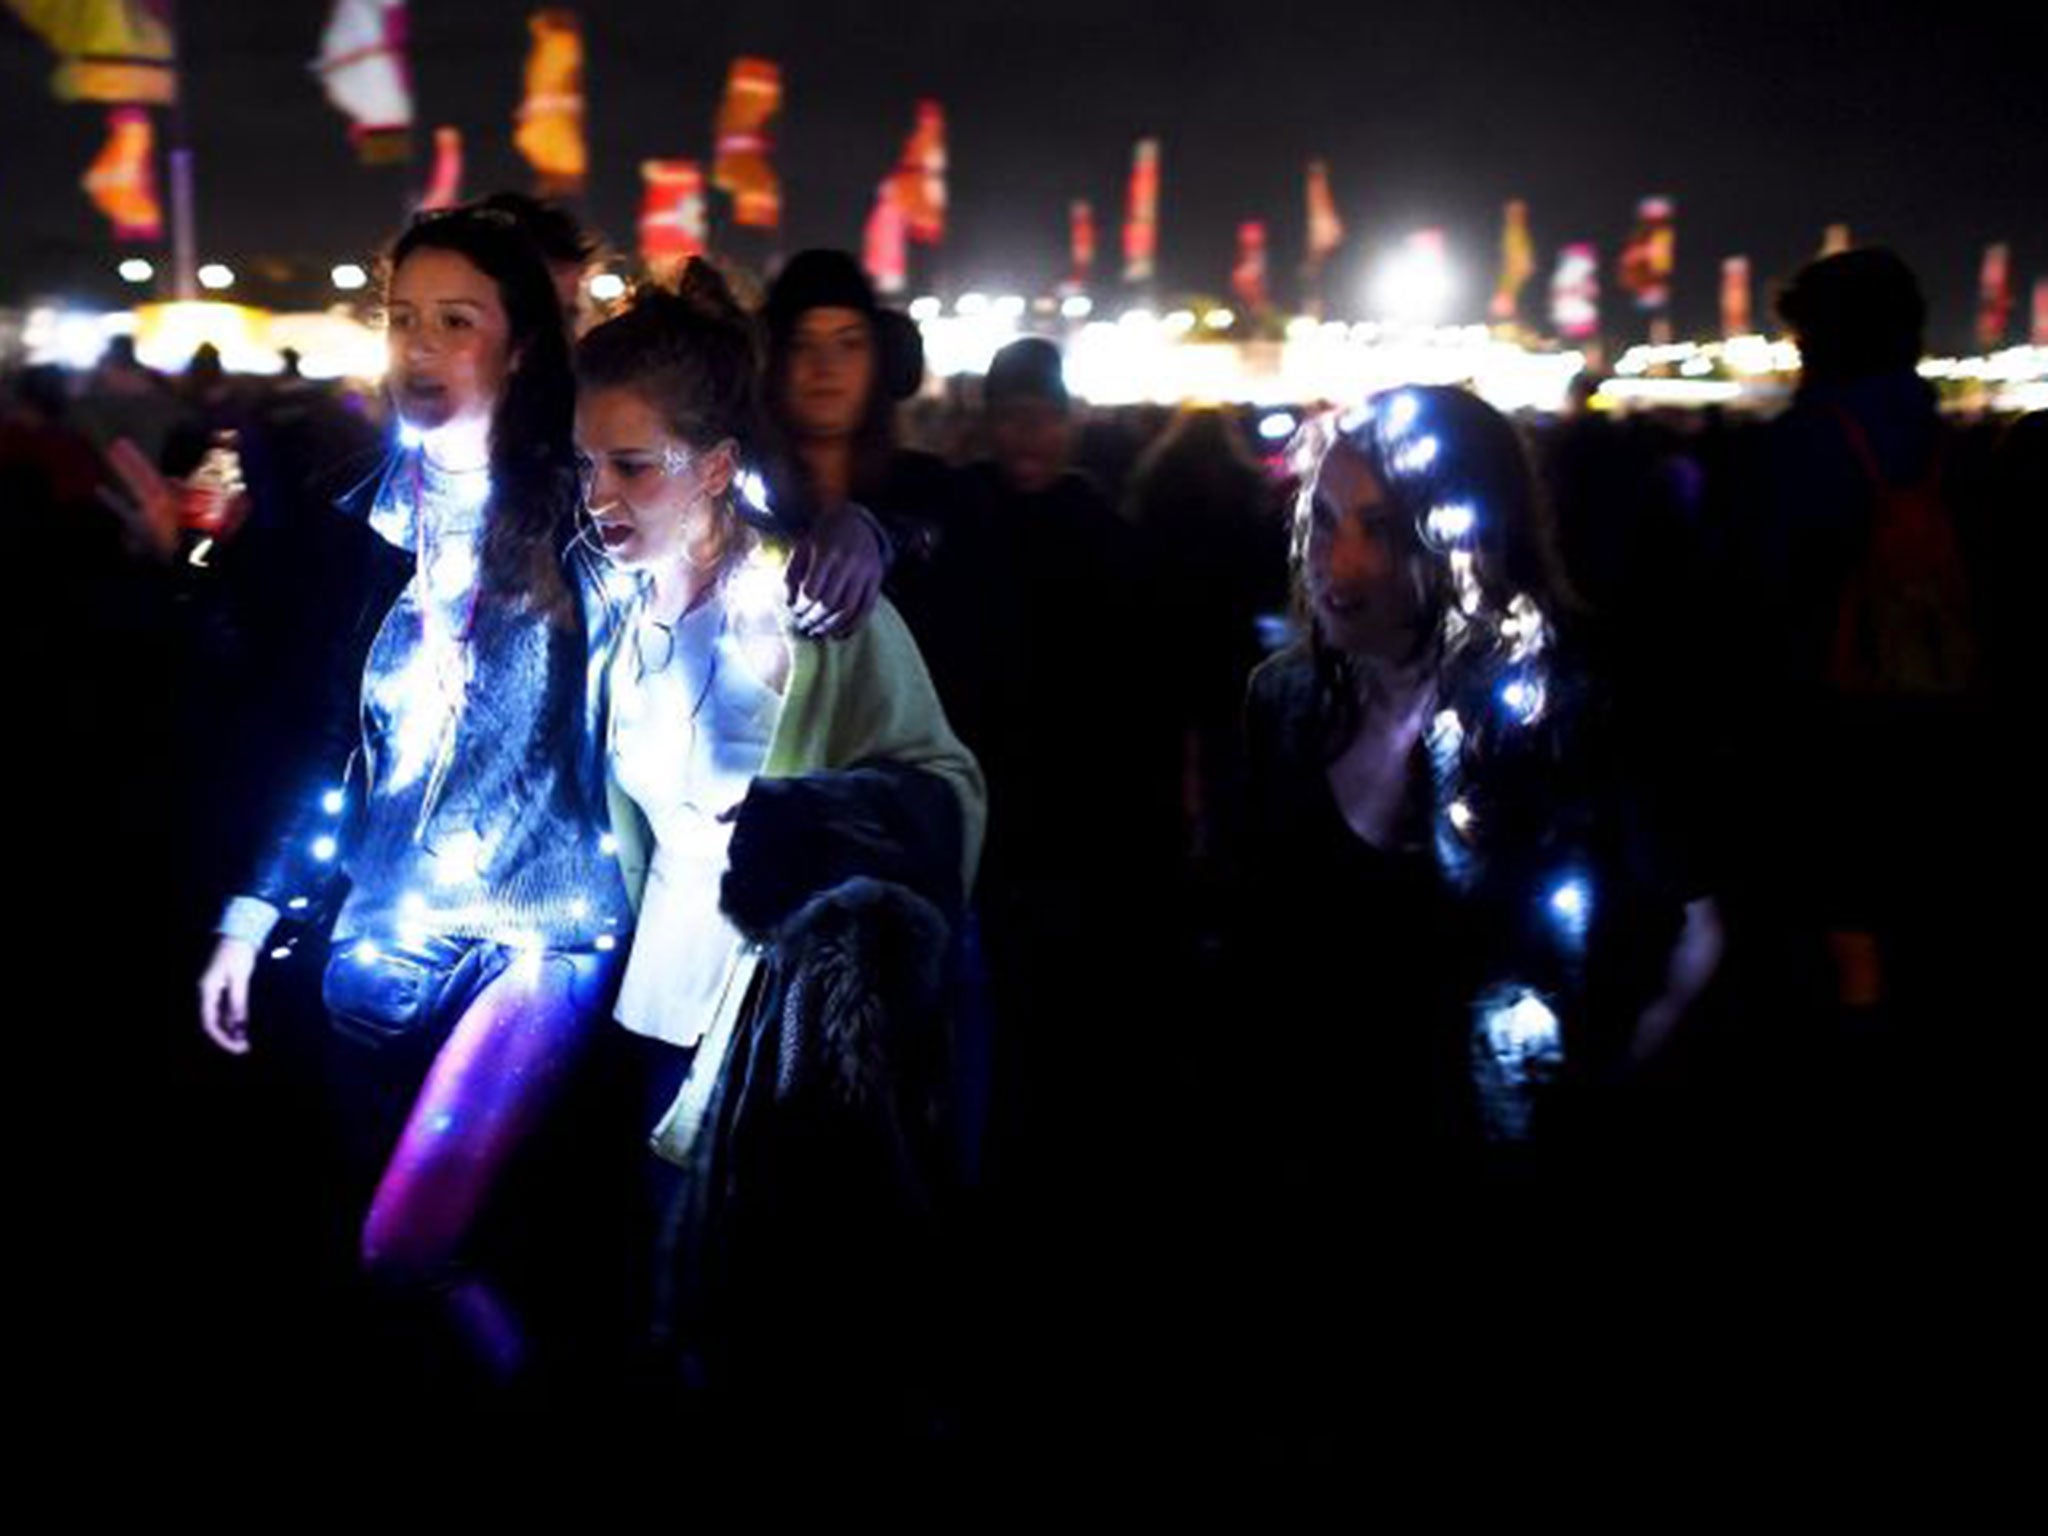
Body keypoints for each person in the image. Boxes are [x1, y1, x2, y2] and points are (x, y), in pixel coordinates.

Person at [194, 204, 633, 1383]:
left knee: (410, 1242)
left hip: (542, 935)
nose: (421, 347)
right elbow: (324, 733)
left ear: (522, 343)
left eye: (456, 321)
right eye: (402, 321)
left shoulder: (589, 512)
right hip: (377, 938)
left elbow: (733, 565)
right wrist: (253, 912)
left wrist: (850, 533)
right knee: (379, 1244)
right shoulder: (360, 520)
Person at [571, 261, 985, 1425]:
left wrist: (805, 853)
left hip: (789, 1052)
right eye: (586, 463)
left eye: (630, 463)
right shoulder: (615, 613)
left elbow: (943, 789)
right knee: (667, 1326)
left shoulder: (816, 607)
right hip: (660, 1024)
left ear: (712, 463)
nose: (598, 493)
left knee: (789, 1344)